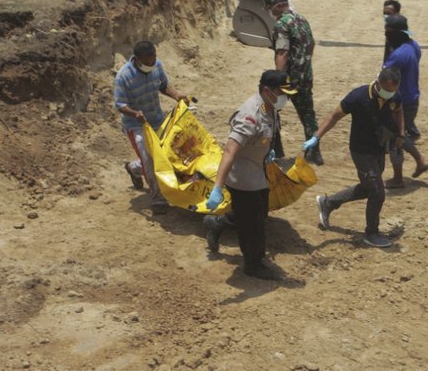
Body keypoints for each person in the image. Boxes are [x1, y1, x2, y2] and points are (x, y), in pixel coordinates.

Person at [203, 70, 297, 281]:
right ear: (267, 90)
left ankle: (217, 224)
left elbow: (264, 134)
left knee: (258, 212)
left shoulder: (268, 106)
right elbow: (230, 150)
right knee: (253, 225)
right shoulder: (250, 115)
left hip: (257, 171)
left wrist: (266, 152)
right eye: (283, 93)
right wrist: (218, 187)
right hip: (243, 178)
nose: (287, 98)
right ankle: (253, 264)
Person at [304, 67, 405, 249]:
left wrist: (400, 134)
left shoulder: (393, 96)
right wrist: (317, 136)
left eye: (393, 91)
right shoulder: (358, 97)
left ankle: (327, 203)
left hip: (379, 149)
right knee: (378, 193)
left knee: (369, 189)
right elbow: (334, 116)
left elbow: (399, 110)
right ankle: (372, 233)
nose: (390, 94)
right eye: (387, 90)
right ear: (378, 83)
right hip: (361, 150)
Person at [114, 40, 192, 214]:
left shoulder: (157, 65)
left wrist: (177, 96)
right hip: (137, 125)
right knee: (149, 160)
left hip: (157, 120)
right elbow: (120, 104)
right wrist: (135, 114)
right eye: (148, 62)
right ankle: (158, 198)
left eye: (154, 59)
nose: (152, 64)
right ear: (137, 59)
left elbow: (163, 86)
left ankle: (134, 168)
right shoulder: (123, 77)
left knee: (166, 156)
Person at [266, 0, 322, 165]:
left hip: (288, 78)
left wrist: (278, 77)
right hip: (305, 75)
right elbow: (311, 45)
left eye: (272, 8)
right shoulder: (302, 19)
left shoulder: (282, 24)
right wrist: (303, 65)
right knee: (308, 114)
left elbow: (282, 51)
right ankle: (314, 153)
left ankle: (275, 152)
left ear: (280, 5)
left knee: (270, 110)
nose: (271, 12)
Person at [382, 15, 428, 187]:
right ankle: (420, 161)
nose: (386, 35)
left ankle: (398, 179)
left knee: (396, 139)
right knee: (400, 134)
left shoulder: (397, 56)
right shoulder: (414, 46)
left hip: (400, 102)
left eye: (388, 32)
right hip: (413, 98)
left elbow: (386, 81)